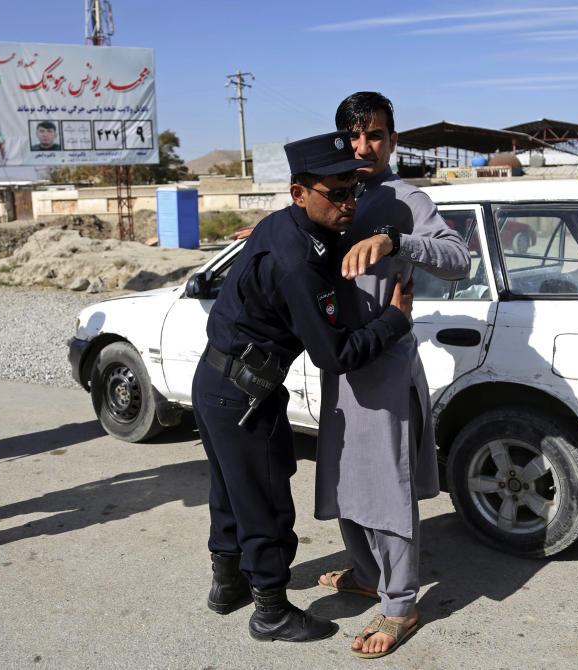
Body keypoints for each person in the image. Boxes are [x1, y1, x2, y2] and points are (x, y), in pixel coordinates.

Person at [193, 130, 416, 643]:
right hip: (246, 391)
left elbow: (330, 243)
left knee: (230, 489)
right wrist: (394, 320)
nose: (348, 204)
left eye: (353, 191)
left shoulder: (283, 225)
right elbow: (333, 355)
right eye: (336, 194)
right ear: (300, 193)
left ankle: (227, 587)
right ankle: (270, 610)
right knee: (265, 501)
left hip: (216, 381)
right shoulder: (298, 262)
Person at [314, 92, 471, 658]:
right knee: (343, 475)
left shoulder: (407, 199)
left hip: (385, 369)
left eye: (375, 135)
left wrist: (396, 240)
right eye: (354, 137)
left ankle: (400, 604)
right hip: (342, 365)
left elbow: (460, 259)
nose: (364, 147)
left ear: (393, 140)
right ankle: (364, 572)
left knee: (387, 483)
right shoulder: (334, 195)